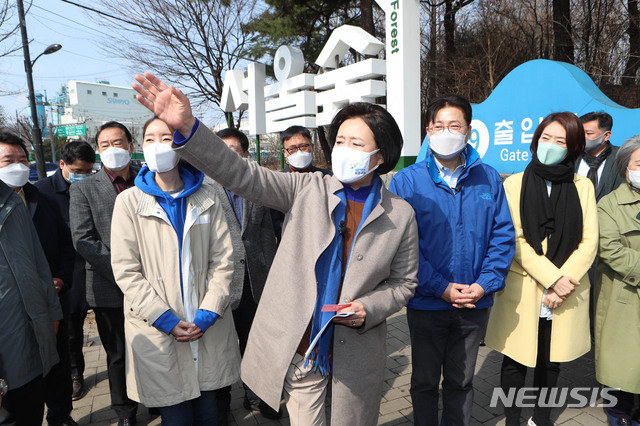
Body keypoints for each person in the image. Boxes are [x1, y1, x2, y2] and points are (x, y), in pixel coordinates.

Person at [133, 72, 419, 426]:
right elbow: (240, 174)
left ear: (381, 156)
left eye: (357, 144)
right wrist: (189, 127)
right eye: (340, 140)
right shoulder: (306, 188)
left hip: (356, 350)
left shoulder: (400, 214)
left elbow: (405, 283)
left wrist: (369, 307)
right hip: (303, 347)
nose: (344, 150)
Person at [389, 94, 515, 426]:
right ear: (428, 131)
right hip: (427, 302)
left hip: (474, 303)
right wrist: (440, 287)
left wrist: (483, 284)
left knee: (461, 381)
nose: (446, 131)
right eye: (438, 125)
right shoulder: (406, 181)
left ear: (469, 131)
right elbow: (404, 246)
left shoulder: (488, 178)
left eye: (454, 125)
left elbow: (502, 237)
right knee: (425, 382)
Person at [110, 117, 241, 425]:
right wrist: (164, 318)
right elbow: (126, 270)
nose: (158, 146)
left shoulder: (207, 197)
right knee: (176, 416)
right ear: (141, 148)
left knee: (211, 413)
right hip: (159, 328)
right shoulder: (129, 201)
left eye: (166, 138)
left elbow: (224, 261)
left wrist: (208, 313)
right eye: (150, 140)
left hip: (205, 324)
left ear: (182, 146)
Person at [485, 112, 597, 426]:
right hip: (525, 289)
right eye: (545, 138)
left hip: (566, 291)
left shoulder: (582, 186)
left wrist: (563, 283)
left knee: (551, 362)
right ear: (536, 140)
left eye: (560, 141)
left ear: (573, 147)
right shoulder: (516, 183)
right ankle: (512, 419)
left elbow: (589, 241)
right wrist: (552, 279)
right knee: (515, 361)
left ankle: (542, 418)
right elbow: (515, 239)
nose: (550, 145)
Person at [0, 132, 77, 426]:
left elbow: (63, 246)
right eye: (9, 160)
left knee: (52, 369)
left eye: (23, 160)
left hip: (44, 306)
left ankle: (60, 415)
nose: (18, 166)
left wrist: (58, 281)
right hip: (10, 329)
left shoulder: (37, 200)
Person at [70, 121, 139, 426]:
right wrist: (126, 273)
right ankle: (124, 412)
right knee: (118, 353)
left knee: (156, 346)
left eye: (119, 142)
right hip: (109, 286)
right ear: (98, 151)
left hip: (156, 282)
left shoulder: (148, 179)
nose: (113, 149)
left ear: (131, 146)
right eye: (106, 144)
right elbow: (83, 239)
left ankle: (158, 398)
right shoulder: (85, 187)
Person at [211, 128, 279, 423]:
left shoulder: (258, 184)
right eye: (221, 150)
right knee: (222, 346)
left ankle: (257, 393)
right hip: (221, 283)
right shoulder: (204, 186)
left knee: (256, 342)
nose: (227, 157)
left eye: (234, 152)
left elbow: (266, 232)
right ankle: (222, 401)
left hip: (256, 279)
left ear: (245, 155)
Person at [34, 141, 95, 401]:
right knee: (70, 332)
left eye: (88, 171)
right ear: (62, 165)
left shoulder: (94, 186)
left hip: (96, 268)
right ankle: (75, 374)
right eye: (77, 170)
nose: (83, 176)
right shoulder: (42, 193)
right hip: (65, 274)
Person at [0, 178, 63, 426]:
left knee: (30, 412)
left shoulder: (12, 202)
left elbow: (38, 264)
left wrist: (52, 312)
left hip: (28, 340)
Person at [594, 136, 640, 426]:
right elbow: (610, 249)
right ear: (626, 169)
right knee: (621, 373)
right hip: (624, 300)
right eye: (639, 163)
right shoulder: (608, 205)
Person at [272, 126, 332, 243]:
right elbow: (274, 221)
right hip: (290, 245)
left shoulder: (327, 177)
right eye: (293, 148)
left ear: (312, 147)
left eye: (303, 146)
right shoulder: (278, 182)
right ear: (285, 152)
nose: (299, 152)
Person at [577, 111, 624, 201]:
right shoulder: (571, 156)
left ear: (606, 135)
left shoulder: (621, 157)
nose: (583, 137)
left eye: (589, 133)